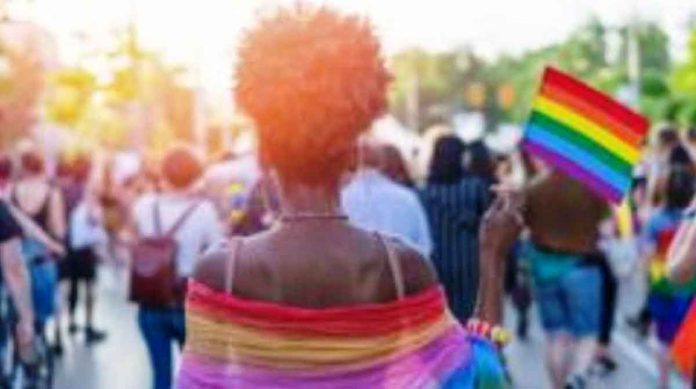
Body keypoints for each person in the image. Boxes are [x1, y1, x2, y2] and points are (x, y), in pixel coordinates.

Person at [178, 6, 517, 388]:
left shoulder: (221, 271)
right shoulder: (401, 268)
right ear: (353, 156)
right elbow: (480, 379)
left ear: (264, 155)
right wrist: (492, 257)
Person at [131, 145, 223, 389]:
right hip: (189, 305)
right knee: (194, 379)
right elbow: (217, 255)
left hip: (150, 304)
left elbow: (134, 241)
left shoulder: (144, 205)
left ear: (162, 173)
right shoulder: (204, 211)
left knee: (160, 377)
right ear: (196, 176)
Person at [523, 168, 607, 389]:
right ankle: (578, 376)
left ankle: (557, 386)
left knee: (556, 336)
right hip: (582, 266)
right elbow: (606, 225)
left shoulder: (533, 188)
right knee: (587, 335)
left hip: (544, 269)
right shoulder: (593, 187)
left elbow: (525, 226)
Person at [420, 135, 492, 321]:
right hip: (468, 261)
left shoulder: (424, 191)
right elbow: (486, 224)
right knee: (468, 314)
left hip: (435, 261)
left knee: (440, 316)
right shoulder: (474, 187)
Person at [640, 165, 696, 389]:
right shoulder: (689, 218)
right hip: (691, 289)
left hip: (663, 286)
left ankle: (663, 383)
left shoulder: (655, 221)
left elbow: (647, 255)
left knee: (662, 340)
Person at [10, 143, 66, 354]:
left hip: (16, 255)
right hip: (42, 258)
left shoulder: (12, 191)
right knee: (41, 315)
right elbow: (58, 228)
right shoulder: (51, 193)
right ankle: (38, 352)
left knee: (19, 311)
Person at [342, 141, 433, 256]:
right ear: (382, 163)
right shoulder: (407, 198)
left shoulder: (341, 198)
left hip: (358, 270)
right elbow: (424, 246)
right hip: (402, 270)